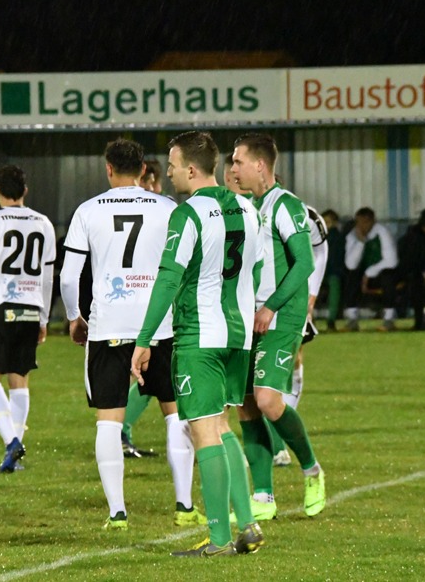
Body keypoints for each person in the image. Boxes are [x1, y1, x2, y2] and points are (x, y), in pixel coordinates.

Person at [131, 130, 265, 557]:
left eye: (172, 166)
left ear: (191, 169)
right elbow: (256, 270)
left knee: (202, 431)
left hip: (200, 336)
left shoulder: (188, 215)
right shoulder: (248, 208)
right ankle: (248, 524)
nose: (169, 173)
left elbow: (168, 278)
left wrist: (144, 339)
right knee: (221, 427)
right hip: (238, 336)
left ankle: (220, 540)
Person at [60, 138, 204, 530]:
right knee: (175, 414)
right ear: (143, 170)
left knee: (108, 420)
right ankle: (184, 506)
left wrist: (74, 317)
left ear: (108, 168)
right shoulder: (168, 208)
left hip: (108, 324)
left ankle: (118, 513)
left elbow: (69, 277)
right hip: (160, 325)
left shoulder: (88, 210)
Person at [230, 132, 326, 521]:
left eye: (238, 161)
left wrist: (270, 307)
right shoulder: (250, 207)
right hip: (247, 317)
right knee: (247, 406)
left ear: (260, 165)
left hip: (280, 316)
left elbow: (304, 263)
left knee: (269, 400)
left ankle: (312, 471)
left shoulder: (286, 205)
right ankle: (263, 497)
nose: (233, 168)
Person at [0, 165, 56, 473]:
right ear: (25, 190)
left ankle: (12, 442)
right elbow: (47, 277)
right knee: (19, 379)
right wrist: (43, 317)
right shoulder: (43, 223)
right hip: (30, 308)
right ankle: (14, 456)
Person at [269, 203, 329, 467]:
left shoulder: (303, 214)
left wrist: (311, 295)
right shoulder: (241, 210)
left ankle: (280, 435)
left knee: (291, 359)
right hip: (254, 299)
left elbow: (319, 250)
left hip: (290, 298)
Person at [120, 160, 164, 459]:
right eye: (154, 182)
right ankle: (119, 430)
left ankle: (120, 431)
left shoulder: (108, 207)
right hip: (151, 302)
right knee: (152, 375)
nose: (157, 188)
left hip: (124, 301)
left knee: (144, 375)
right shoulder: (161, 210)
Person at [343, 207, 399, 331]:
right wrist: (361, 242)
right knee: (351, 276)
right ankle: (352, 320)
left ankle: (389, 319)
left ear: (373, 221)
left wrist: (368, 274)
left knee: (388, 276)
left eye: (366, 222)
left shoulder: (383, 232)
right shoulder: (352, 235)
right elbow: (350, 264)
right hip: (362, 276)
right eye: (359, 222)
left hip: (379, 275)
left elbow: (391, 261)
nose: (362, 225)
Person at [320, 209, 345, 331]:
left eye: (328, 222)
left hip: (332, 271)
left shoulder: (337, 237)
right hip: (322, 271)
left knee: (334, 289)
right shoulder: (317, 236)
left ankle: (331, 320)